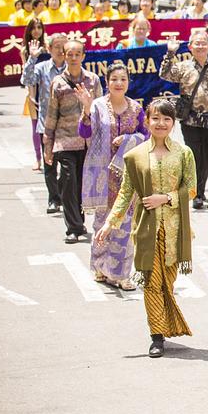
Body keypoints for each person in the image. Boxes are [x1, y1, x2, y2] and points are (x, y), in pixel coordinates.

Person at [96, 98, 197, 357]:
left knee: (167, 283)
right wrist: (110, 223)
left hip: (176, 231)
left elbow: (191, 189)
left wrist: (165, 198)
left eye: (166, 119)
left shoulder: (184, 154)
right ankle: (157, 337)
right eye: (156, 118)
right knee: (152, 283)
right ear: (147, 121)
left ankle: (166, 324)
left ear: (173, 123)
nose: (161, 123)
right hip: (146, 231)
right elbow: (126, 192)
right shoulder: (134, 156)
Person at [77, 63, 147, 290]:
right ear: (107, 82)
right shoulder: (97, 106)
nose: (119, 83)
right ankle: (100, 266)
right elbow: (84, 132)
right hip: (101, 174)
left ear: (128, 82)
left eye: (123, 79)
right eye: (114, 79)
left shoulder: (136, 108)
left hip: (127, 175)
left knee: (125, 223)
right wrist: (86, 109)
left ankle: (120, 273)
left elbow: (146, 135)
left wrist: (129, 139)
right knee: (102, 222)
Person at [160, 30, 208, 208]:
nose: (200, 46)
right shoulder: (183, 67)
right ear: (190, 46)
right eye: (197, 43)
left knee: (207, 157)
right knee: (194, 156)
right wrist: (170, 53)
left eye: (203, 43)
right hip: (191, 120)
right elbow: (164, 74)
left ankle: (199, 192)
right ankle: (195, 193)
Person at [43, 39, 104, 243]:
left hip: (87, 140)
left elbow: (101, 110)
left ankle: (79, 219)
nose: (74, 58)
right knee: (68, 182)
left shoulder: (93, 80)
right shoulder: (58, 83)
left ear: (83, 56)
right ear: (64, 56)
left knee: (82, 184)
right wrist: (48, 144)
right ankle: (73, 227)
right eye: (70, 54)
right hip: (65, 140)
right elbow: (52, 113)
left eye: (78, 54)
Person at [22, 33, 68, 208]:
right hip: (46, 124)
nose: (61, 51)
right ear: (49, 49)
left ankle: (63, 195)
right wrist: (32, 58)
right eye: (57, 47)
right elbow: (26, 80)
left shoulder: (73, 68)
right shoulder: (42, 68)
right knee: (50, 165)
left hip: (68, 126)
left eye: (64, 47)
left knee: (68, 167)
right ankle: (54, 199)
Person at [21, 19, 48, 171]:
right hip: (33, 91)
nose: (36, 31)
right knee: (35, 126)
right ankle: (38, 159)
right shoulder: (24, 51)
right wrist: (31, 96)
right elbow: (27, 74)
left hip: (47, 91)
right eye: (33, 28)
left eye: (39, 27)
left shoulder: (47, 48)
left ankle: (48, 156)